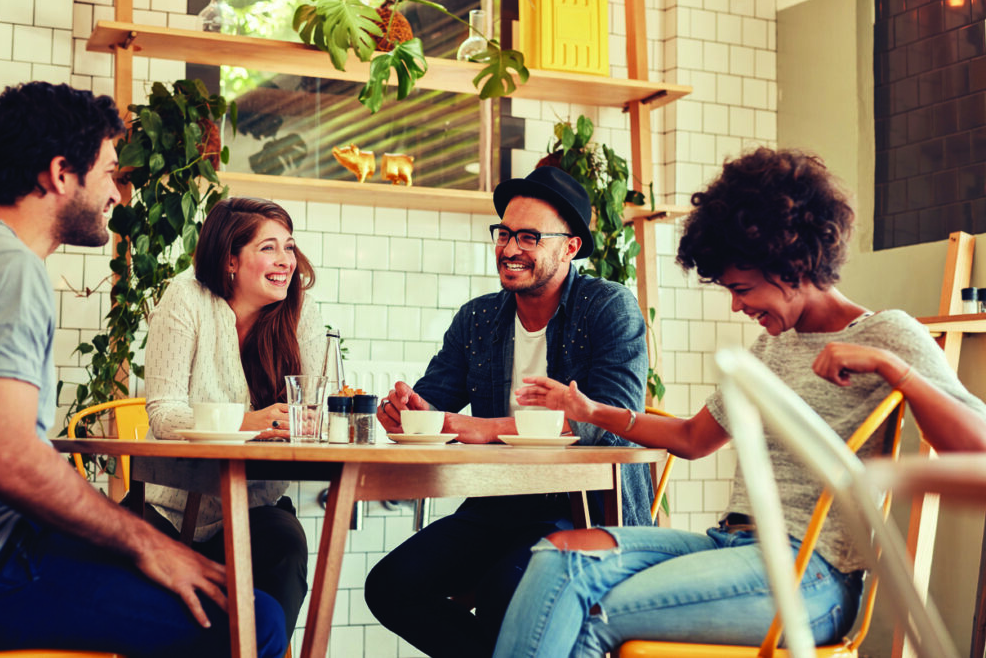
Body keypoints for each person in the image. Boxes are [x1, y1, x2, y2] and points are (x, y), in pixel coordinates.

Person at [492, 147, 986, 657]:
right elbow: (691, 439)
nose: (737, 305)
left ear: (793, 265)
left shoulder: (887, 333)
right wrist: (592, 411)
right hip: (731, 544)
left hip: (811, 576)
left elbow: (977, 449)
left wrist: (894, 370)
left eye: (742, 288)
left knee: (597, 611)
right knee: (558, 560)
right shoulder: (774, 343)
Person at [0, 82, 286, 657]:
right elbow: (5, 461)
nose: (118, 193)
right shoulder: (9, 271)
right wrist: (147, 543)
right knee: (250, 620)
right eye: (110, 173)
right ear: (61, 173)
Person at [365, 166, 655, 658]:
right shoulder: (478, 317)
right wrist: (407, 411)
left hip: (581, 508)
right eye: (504, 233)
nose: (509, 248)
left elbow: (609, 420)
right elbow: (436, 398)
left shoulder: (609, 308)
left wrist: (485, 429)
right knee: (391, 586)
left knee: (508, 592)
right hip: (495, 501)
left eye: (529, 236)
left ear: (570, 248)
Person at [142, 196, 324, 643]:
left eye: (290, 246)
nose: (286, 261)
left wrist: (304, 424)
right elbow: (164, 414)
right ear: (230, 258)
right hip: (170, 508)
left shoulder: (302, 313)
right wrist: (252, 422)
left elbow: (314, 412)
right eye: (269, 248)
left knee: (286, 545)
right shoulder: (186, 298)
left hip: (254, 507)